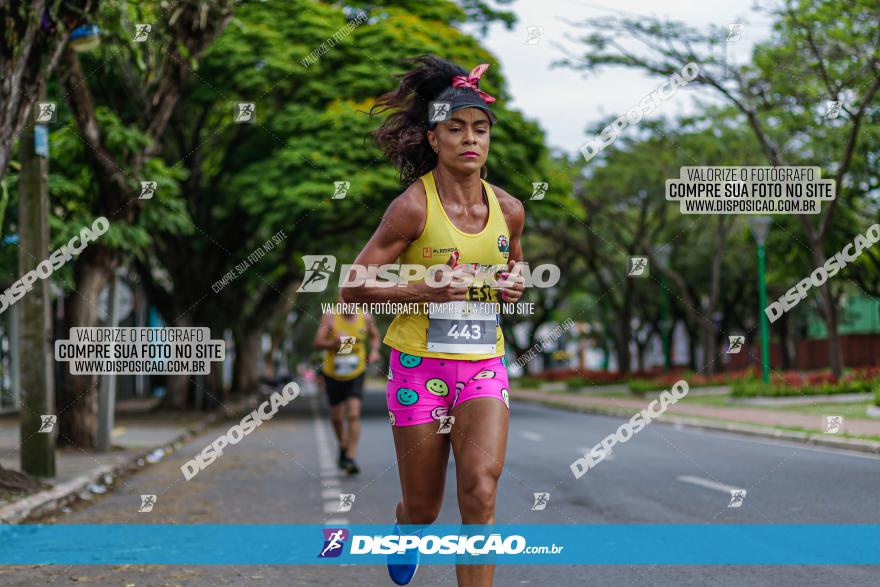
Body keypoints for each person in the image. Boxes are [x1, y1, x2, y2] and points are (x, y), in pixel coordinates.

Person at [342, 55, 525, 586]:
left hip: (483, 364)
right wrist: (416, 289)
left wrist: (514, 284)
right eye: (456, 128)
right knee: (425, 507)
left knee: (481, 492)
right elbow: (352, 284)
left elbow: (514, 271)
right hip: (418, 368)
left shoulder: (510, 209)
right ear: (433, 139)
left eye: (481, 129)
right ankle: (406, 527)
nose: (470, 138)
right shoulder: (412, 209)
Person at [314, 299, 382, 474]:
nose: (349, 306)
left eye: (353, 302)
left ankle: (350, 457)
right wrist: (333, 344)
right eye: (345, 302)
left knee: (353, 413)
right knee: (337, 417)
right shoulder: (330, 317)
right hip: (333, 373)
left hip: (356, 372)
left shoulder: (365, 317)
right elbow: (318, 343)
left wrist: (374, 351)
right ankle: (343, 445)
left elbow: (374, 336)